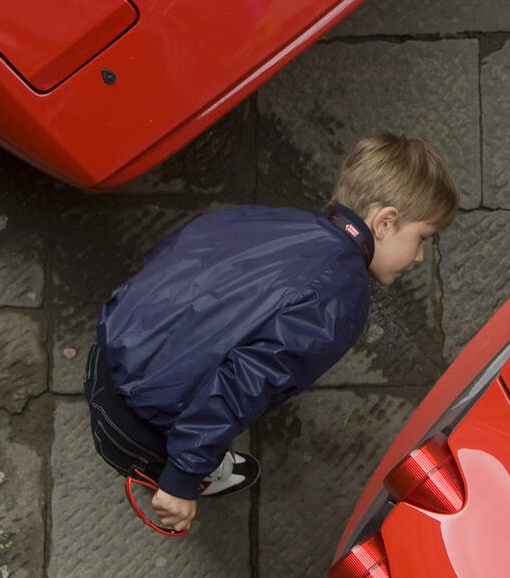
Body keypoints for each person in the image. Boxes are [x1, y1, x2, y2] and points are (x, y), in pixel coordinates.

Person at [83, 133, 459, 533]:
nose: (419, 257)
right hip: (140, 428)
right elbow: (246, 383)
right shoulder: (342, 295)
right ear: (385, 222)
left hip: (109, 356)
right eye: (422, 239)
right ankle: (200, 468)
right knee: (193, 449)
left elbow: (176, 254)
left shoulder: (281, 221)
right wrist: (181, 477)